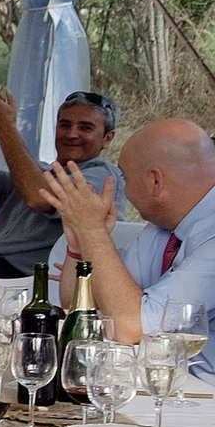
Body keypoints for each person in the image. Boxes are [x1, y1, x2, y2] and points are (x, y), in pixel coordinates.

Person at [38, 120, 215, 367]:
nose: (126, 191)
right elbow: (76, 306)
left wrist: (93, 231)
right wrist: (79, 244)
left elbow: (130, 327)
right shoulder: (162, 228)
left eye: (125, 177)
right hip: (162, 382)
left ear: (155, 181)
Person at [0, 88, 122, 278]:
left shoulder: (104, 176)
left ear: (107, 139)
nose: (72, 134)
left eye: (86, 128)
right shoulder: (36, 173)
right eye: (65, 125)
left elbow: (40, 199)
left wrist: (6, 128)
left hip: (36, 282)